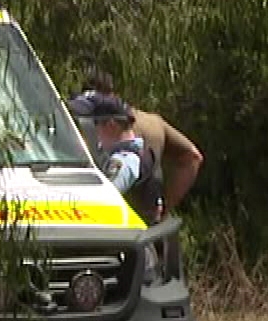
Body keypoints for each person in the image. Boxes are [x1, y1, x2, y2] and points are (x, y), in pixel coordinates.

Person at [81, 72, 203, 218]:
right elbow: (192, 157)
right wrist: (166, 206)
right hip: (152, 218)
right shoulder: (153, 122)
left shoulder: (89, 126)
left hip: (112, 221)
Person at [65, 90, 163, 223]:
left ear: (111, 125)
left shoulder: (125, 161)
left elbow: (101, 201)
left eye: (94, 123)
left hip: (125, 233)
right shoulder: (139, 153)